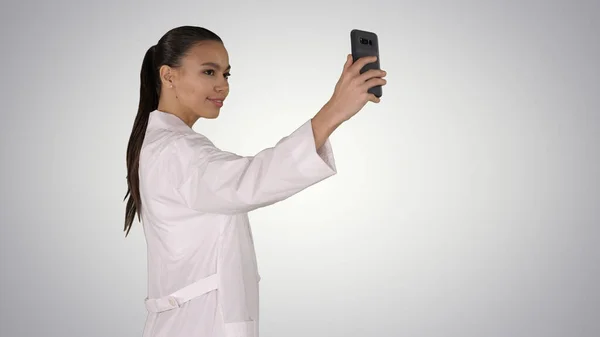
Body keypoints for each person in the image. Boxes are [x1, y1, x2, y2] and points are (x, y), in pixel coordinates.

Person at [123, 25, 387, 337]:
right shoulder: (175, 151)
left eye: (226, 74)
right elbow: (249, 181)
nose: (222, 85)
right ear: (168, 76)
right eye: (209, 72)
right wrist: (333, 112)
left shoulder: (169, 145)